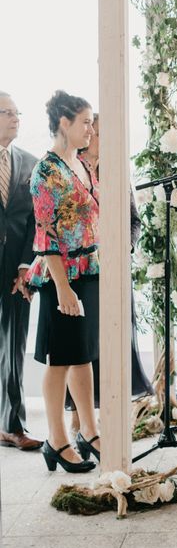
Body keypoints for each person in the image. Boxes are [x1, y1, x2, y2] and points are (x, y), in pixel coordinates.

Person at [26, 91, 100, 473]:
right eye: (85, 121)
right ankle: (56, 439)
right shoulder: (47, 171)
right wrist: (63, 288)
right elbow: (46, 236)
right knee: (60, 360)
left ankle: (89, 429)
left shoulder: (83, 163)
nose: (91, 128)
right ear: (64, 123)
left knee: (83, 356)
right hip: (63, 276)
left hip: (90, 270)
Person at [66, 112, 152, 432]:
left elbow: (134, 220)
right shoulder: (70, 169)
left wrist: (122, 250)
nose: (97, 137)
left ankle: (108, 421)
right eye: (95, 131)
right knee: (84, 347)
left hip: (115, 272)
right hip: (82, 271)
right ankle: (79, 423)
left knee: (116, 343)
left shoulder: (116, 169)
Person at [0, 91, 42, 451]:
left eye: (18, 112)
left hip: (16, 271)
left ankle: (14, 425)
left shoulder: (29, 162)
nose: (16, 118)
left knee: (13, 349)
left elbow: (34, 222)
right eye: (8, 113)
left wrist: (26, 266)